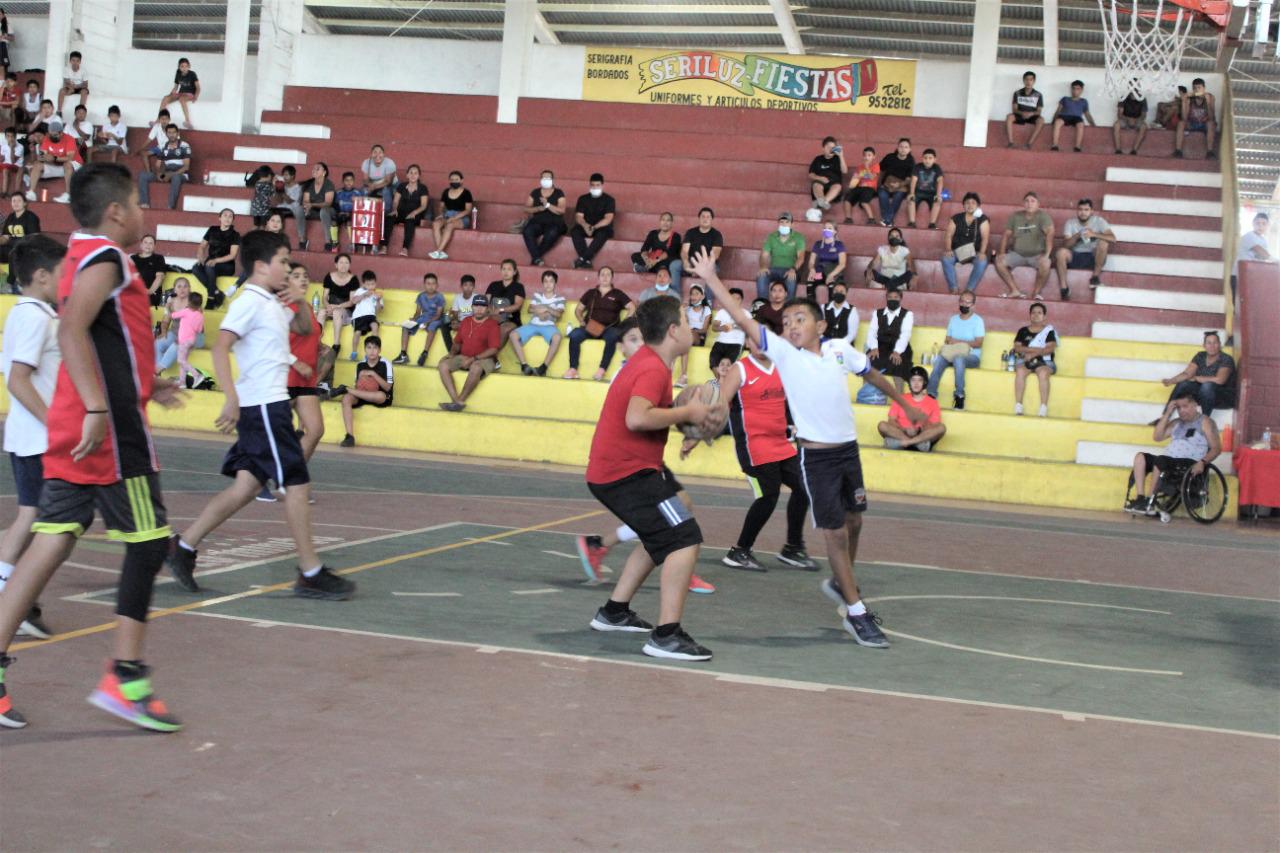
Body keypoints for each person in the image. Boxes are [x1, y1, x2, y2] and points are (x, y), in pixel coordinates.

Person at [0, 163, 186, 732]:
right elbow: (72, 329)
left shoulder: (81, 252)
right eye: (138, 203)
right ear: (116, 213)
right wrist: (103, 408)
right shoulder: (107, 259)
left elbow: (104, 339)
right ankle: (125, 677)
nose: (143, 213)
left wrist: (148, 382)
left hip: (73, 424)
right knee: (151, 545)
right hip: (108, 433)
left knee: (50, 543)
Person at [693, 249, 925, 649]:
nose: (791, 325)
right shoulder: (785, 355)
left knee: (855, 521)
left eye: (799, 319)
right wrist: (712, 278)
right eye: (786, 322)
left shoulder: (838, 350)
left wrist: (904, 403)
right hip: (816, 457)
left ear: (820, 324)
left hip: (848, 452)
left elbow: (872, 373)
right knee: (834, 534)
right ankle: (857, 613)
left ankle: (842, 581)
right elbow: (744, 317)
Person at [167, 229, 355, 604]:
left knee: (246, 487)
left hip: (270, 405)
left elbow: (300, 330)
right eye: (283, 261)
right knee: (296, 482)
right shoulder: (247, 301)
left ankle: (183, 548)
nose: (288, 268)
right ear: (260, 265)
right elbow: (221, 348)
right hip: (263, 408)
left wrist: (300, 302)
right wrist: (231, 399)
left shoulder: (271, 301)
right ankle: (310, 572)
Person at [583, 294, 719, 661]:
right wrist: (688, 411)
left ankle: (614, 612)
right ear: (673, 331)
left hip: (631, 468)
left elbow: (647, 417)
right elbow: (637, 418)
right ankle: (667, 635)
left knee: (668, 523)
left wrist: (683, 419)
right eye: (687, 323)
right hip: (625, 473)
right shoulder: (653, 368)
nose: (692, 328)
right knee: (683, 537)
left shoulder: (653, 363)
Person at [0, 235, 67, 640]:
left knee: (36, 517)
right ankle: (12, 597)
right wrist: (54, 423)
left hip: (36, 437)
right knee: (39, 519)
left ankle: (14, 594)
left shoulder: (40, 314)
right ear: (41, 276)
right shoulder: (33, 316)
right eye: (61, 273)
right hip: (38, 439)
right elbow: (18, 380)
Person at [719, 333, 816, 573]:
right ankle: (739, 551)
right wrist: (698, 434)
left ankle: (792, 548)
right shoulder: (739, 369)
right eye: (753, 339)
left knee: (804, 488)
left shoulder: (780, 367)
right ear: (747, 343)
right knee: (768, 495)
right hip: (754, 446)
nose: (759, 343)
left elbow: (790, 400)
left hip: (780, 444)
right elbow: (720, 404)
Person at [1125, 391, 1221, 516]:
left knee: (1161, 460)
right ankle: (1141, 498)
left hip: (1187, 462)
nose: (1182, 411)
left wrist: (1202, 462)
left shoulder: (1205, 422)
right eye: (1179, 408)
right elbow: (1157, 437)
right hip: (1168, 461)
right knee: (1140, 457)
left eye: (1185, 406)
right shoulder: (1177, 422)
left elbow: (1216, 448)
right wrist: (1168, 413)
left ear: (1195, 405)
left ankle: (1150, 501)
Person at [284, 261, 327, 464]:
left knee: (316, 430)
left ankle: (292, 476)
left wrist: (319, 346)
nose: (303, 279)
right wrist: (295, 362)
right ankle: (257, 479)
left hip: (307, 379)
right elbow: (272, 342)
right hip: (286, 377)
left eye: (305, 276)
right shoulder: (284, 307)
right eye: (297, 275)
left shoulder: (308, 307)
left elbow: (306, 337)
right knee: (273, 435)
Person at [564, 266, 632, 381]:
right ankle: (573, 369)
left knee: (612, 337)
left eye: (608, 275)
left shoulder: (618, 293)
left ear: (612, 278)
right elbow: (578, 309)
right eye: (602, 274)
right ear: (598, 278)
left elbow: (632, 307)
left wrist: (624, 324)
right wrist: (581, 321)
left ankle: (602, 369)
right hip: (591, 326)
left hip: (610, 328)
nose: (605, 277)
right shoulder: (591, 293)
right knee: (575, 335)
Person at [437, 294, 500, 412]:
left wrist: (473, 359)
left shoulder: (492, 324)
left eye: (482, 306)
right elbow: (457, 342)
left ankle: (459, 400)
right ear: (472, 307)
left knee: (476, 367)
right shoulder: (466, 321)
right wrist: (450, 355)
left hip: (485, 359)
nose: (479, 309)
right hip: (464, 357)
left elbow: (494, 349)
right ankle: (456, 401)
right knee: (443, 365)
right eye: (476, 305)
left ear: (487, 309)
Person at [927, 290, 985, 410]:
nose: (964, 304)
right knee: (939, 359)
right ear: (959, 302)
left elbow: (979, 343)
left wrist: (957, 342)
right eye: (962, 301)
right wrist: (953, 342)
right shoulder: (953, 319)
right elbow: (947, 339)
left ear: (973, 305)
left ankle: (959, 396)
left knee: (959, 359)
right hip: (952, 353)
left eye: (968, 302)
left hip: (972, 357)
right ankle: (931, 394)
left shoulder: (978, 321)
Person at [1160, 331, 1236, 418]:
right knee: (1183, 384)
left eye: (1215, 343)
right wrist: (1171, 381)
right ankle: (1164, 417)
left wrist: (1198, 378)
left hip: (1222, 398)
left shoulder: (1226, 359)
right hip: (1204, 395)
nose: (1212, 346)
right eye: (1209, 343)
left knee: (1207, 386)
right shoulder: (1200, 356)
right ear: (1204, 345)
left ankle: (1204, 420)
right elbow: (1187, 374)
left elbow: (1220, 380)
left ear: (1219, 344)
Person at [994, 191, 1053, 299]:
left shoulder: (1043, 216)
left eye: (1032, 201)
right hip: (1018, 254)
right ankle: (1015, 290)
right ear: (1023, 204)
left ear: (1038, 204)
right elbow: (1006, 235)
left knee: (1046, 263)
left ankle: (1036, 292)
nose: (1029, 204)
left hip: (1036, 255)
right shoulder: (1015, 216)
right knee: (999, 261)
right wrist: (1002, 252)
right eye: (1027, 201)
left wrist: (1047, 255)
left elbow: (1050, 234)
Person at [338, 336, 393, 448]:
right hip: (362, 394)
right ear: (364, 349)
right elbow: (357, 386)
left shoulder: (386, 364)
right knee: (346, 399)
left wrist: (373, 375)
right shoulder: (360, 365)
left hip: (381, 396)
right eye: (369, 347)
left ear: (380, 350)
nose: (372, 351)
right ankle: (349, 436)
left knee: (381, 395)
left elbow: (387, 387)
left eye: (375, 348)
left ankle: (345, 388)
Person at [1055, 198, 1115, 296]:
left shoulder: (1099, 221)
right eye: (1080, 209)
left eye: (1086, 210)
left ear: (1091, 211)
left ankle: (1095, 278)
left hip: (1093, 257)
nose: (1083, 213)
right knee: (1061, 252)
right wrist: (1077, 236)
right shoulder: (1070, 222)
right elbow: (1065, 245)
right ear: (1077, 211)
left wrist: (1094, 234)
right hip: (1075, 256)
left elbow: (1113, 238)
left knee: (1104, 242)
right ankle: (1064, 288)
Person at [510, 269, 564, 376]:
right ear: (542, 283)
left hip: (549, 326)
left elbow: (558, 314)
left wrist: (546, 308)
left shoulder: (560, 298)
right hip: (533, 324)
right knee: (513, 335)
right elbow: (530, 309)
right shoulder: (537, 295)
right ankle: (524, 365)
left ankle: (543, 367)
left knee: (557, 337)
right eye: (545, 281)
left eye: (551, 281)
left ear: (555, 283)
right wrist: (542, 313)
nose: (548, 284)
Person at [878, 366, 945, 452]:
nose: (916, 383)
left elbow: (935, 426)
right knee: (882, 425)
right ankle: (915, 444)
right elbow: (891, 421)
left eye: (919, 380)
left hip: (920, 435)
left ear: (924, 383)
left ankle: (907, 443)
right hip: (901, 433)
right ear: (909, 383)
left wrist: (919, 429)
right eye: (913, 380)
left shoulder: (933, 402)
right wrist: (904, 430)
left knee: (941, 428)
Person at [1012, 301, 1057, 417]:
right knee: (1020, 371)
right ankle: (1018, 406)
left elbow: (1050, 349)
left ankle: (1043, 407)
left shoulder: (1049, 331)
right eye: (1033, 312)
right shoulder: (1022, 331)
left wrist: (1030, 352)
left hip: (1045, 362)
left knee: (1042, 373)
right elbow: (1017, 348)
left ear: (1044, 316)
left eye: (1039, 313)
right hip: (1025, 361)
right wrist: (1036, 350)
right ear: (1029, 315)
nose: (1036, 315)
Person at [866, 288, 914, 393]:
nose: (893, 299)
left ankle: (899, 398)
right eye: (890, 297)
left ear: (901, 299)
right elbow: (872, 332)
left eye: (896, 297)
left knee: (898, 364)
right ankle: (867, 396)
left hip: (899, 347)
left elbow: (905, 334)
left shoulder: (907, 314)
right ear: (886, 298)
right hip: (880, 346)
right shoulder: (877, 313)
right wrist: (874, 348)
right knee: (870, 361)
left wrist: (897, 351)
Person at [394, 272, 447, 367]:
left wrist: (428, 322)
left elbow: (438, 314)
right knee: (406, 326)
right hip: (424, 317)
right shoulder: (421, 296)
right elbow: (418, 312)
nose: (431, 286)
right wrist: (414, 319)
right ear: (424, 284)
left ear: (437, 285)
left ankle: (425, 353)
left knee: (432, 326)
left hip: (436, 318)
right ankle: (403, 354)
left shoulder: (439, 297)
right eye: (428, 283)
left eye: (433, 283)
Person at [941, 192, 991, 294]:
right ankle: (953, 288)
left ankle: (969, 290)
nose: (970, 205)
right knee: (946, 259)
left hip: (975, 252)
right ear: (963, 205)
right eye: (967, 203)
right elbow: (948, 235)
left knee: (982, 262)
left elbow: (985, 238)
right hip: (958, 251)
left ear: (978, 206)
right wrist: (948, 249)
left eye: (973, 203)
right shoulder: (956, 218)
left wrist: (982, 252)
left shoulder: (982, 219)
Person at [669, 206, 723, 295]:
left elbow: (715, 255)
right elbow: (684, 251)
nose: (705, 219)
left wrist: (700, 268)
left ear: (711, 219)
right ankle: (676, 297)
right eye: (703, 216)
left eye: (708, 217)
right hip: (691, 262)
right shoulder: (690, 232)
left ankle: (707, 303)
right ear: (699, 218)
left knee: (713, 270)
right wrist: (686, 262)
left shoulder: (716, 234)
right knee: (674, 265)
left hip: (708, 264)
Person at [27, 117, 82, 204]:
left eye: (55, 135)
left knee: (67, 164)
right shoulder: (47, 139)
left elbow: (70, 158)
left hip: (72, 166)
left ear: (61, 133)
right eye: (51, 134)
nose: (52, 137)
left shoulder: (69, 139)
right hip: (56, 165)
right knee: (37, 164)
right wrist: (46, 158)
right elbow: (41, 156)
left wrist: (54, 158)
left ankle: (68, 195)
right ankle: (31, 193)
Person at [193, 207, 240, 308]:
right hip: (211, 262)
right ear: (220, 218)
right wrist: (200, 255)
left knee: (209, 266)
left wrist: (216, 260)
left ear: (233, 220)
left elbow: (232, 255)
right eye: (225, 215)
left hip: (227, 265)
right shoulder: (212, 229)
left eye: (230, 216)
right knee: (196, 268)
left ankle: (211, 298)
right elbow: (202, 246)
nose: (227, 218)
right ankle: (217, 293)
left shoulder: (235, 235)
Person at [137, 123, 189, 210]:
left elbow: (186, 167)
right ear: (166, 134)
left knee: (176, 177)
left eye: (174, 132)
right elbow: (159, 164)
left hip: (180, 173)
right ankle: (144, 203)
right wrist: (159, 173)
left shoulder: (184, 146)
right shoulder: (164, 146)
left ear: (178, 133)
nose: (172, 135)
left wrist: (171, 175)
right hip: (167, 172)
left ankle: (170, 207)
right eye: (169, 132)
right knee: (143, 175)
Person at [569, 172, 616, 269]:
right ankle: (586, 261)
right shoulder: (582, 199)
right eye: (593, 185)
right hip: (585, 226)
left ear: (602, 185)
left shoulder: (609, 200)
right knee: (575, 231)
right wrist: (585, 225)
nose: (595, 187)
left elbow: (608, 219)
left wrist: (594, 227)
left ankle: (582, 259)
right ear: (589, 185)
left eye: (597, 185)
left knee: (603, 233)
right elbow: (578, 217)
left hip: (601, 227)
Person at [756, 211, 806, 299]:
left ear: (791, 224)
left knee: (791, 278)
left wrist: (793, 269)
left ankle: (788, 307)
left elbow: (801, 258)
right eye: (782, 222)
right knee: (762, 275)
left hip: (791, 270)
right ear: (778, 223)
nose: (784, 224)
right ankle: (762, 305)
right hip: (774, 269)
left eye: (787, 222)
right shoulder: (771, 237)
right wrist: (763, 266)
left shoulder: (798, 237)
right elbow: (764, 255)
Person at [381, 162, 427, 256]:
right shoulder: (402, 186)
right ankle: (384, 247)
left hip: (415, 213)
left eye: (415, 173)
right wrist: (394, 210)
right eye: (411, 172)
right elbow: (395, 201)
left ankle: (405, 249)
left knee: (410, 221)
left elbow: (423, 205)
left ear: (419, 175)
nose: (413, 175)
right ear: (407, 175)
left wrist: (414, 212)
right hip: (401, 212)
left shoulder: (422, 188)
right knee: (389, 218)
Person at [522, 169, 566, 266]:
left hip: (555, 223)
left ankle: (536, 257)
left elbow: (561, 210)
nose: (546, 179)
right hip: (538, 222)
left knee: (552, 234)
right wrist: (538, 208)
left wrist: (548, 205)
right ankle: (537, 258)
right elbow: (526, 208)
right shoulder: (535, 192)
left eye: (548, 178)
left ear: (553, 180)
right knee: (527, 231)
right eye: (544, 177)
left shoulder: (559, 193)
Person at [429, 170, 472, 260]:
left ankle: (438, 251)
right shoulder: (446, 192)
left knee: (450, 225)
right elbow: (441, 207)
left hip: (461, 217)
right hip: (447, 215)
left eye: (456, 179)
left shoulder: (466, 193)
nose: (454, 181)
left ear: (461, 180)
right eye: (452, 179)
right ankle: (440, 253)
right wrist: (441, 214)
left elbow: (468, 210)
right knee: (435, 224)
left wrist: (454, 218)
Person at [485, 257, 526, 345]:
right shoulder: (493, 285)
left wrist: (501, 310)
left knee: (505, 328)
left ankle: (492, 354)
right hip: (492, 316)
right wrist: (492, 312)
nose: (506, 272)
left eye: (509, 269)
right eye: (503, 269)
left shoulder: (518, 287)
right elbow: (485, 302)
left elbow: (517, 305)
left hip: (511, 319)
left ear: (514, 272)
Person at [676, 284, 711, 386]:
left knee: (688, 335)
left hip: (699, 337)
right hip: (687, 336)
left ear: (703, 296)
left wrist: (693, 330)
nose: (693, 296)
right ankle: (682, 377)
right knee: (683, 343)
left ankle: (683, 377)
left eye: (696, 294)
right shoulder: (688, 309)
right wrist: (681, 310)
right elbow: (681, 323)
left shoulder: (706, 310)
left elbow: (704, 330)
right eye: (692, 294)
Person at [805, 220, 847, 302]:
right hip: (820, 271)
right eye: (825, 228)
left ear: (835, 231)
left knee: (832, 285)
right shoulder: (817, 244)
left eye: (829, 228)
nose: (826, 230)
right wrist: (812, 269)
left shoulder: (839, 245)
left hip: (833, 271)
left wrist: (831, 275)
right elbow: (811, 262)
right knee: (810, 283)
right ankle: (812, 308)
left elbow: (842, 264)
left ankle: (829, 309)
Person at [323, 253, 357, 352]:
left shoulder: (353, 280)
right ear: (336, 264)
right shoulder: (329, 277)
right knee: (321, 313)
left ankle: (336, 345)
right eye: (341, 262)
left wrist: (337, 307)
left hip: (345, 310)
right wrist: (327, 306)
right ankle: (317, 342)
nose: (343, 265)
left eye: (346, 262)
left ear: (349, 265)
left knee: (337, 312)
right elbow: (324, 297)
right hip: (331, 307)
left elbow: (352, 302)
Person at [299, 161, 336, 253]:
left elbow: (328, 203)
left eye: (317, 168)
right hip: (313, 210)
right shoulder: (309, 184)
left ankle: (328, 242)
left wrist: (312, 205)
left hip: (328, 210)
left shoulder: (328, 184)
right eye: (313, 168)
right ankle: (302, 240)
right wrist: (306, 206)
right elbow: (306, 200)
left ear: (324, 172)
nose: (314, 170)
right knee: (299, 210)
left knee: (324, 211)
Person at [1175, 78, 1216, 159]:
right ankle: (1178, 151)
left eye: (1199, 87)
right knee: (1181, 123)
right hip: (1192, 124)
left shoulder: (1210, 97)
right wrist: (1184, 102)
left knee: (1211, 123)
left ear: (1204, 88)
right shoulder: (1190, 98)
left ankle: (1210, 152)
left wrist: (1208, 102)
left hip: (1204, 125)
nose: (1197, 90)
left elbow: (1212, 118)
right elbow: (1184, 118)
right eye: (1194, 88)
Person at [631, 211, 681, 278]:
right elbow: (645, 248)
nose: (665, 223)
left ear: (672, 223)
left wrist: (656, 261)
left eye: (668, 220)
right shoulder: (653, 233)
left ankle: (646, 268)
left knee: (669, 262)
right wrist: (646, 259)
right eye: (663, 220)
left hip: (664, 260)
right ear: (660, 221)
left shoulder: (676, 236)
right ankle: (649, 267)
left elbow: (670, 252)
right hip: (652, 258)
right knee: (635, 255)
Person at [877, 138, 915, 226]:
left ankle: (887, 219)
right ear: (897, 147)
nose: (903, 149)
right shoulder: (890, 157)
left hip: (901, 186)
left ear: (910, 149)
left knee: (898, 196)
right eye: (901, 146)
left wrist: (899, 184)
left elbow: (909, 179)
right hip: (887, 185)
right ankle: (888, 220)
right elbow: (879, 168)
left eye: (906, 147)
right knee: (882, 194)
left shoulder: (911, 161)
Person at [0, 190, 39, 275]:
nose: (16, 203)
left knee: (15, 252)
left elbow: (34, 238)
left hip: (25, 248)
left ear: (25, 203)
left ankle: (11, 271)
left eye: (19, 201)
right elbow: (5, 237)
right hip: (11, 246)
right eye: (13, 201)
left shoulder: (31, 217)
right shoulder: (10, 217)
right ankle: (7, 269)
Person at [1234, 212, 1273, 295]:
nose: (1260, 226)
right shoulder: (1249, 236)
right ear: (1253, 223)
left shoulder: (1263, 240)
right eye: (1258, 223)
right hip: (1238, 274)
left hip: (1249, 275)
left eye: (1263, 224)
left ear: (1267, 225)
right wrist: (1276, 260)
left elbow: (1263, 258)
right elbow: (1263, 253)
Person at [1006, 70, 1047, 148]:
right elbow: (1014, 109)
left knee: (1041, 120)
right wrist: (1022, 113)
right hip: (1020, 115)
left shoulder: (1038, 94)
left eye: (1031, 80)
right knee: (1009, 117)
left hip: (1032, 116)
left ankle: (1029, 144)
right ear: (1023, 80)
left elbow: (1039, 111)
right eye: (1026, 79)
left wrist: (1031, 114)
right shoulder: (1017, 93)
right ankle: (1010, 142)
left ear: (1034, 81)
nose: (1028, 82)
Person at [1050, 80, 1094, 152]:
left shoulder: (1084, 101)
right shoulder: (1065, 99)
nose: (1075, 91)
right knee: (1058, 122)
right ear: (1071, 89)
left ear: (1081, 90)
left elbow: (1087, 114)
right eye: (1073, 88)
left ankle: (1077, 146)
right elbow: (1058, 111)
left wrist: (1093, 124)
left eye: (1078, 89)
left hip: (1076, 118)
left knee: (1080, 124)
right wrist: (1053, 121)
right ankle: (1054, 145)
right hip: (1064, 116)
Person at [709, 287, 746, 369]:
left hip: (737, 343)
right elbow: (714, 328)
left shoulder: (746, 313)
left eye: (738, 298)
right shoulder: (722, 312)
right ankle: (720, 380)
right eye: (732, 298)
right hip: (720, 342)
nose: (735, 301)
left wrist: (738, 326)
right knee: (713, 364)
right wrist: (722, 328)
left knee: (730, 366)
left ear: (741, 300)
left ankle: (721, 381)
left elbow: (749, 329)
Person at [348, 270, 382, 360]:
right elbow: (354, 301)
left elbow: (378, 310)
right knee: (357, 332)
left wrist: (378, 300)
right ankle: (354, 352)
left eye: (372, 284)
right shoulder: (360, 291)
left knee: (375, 326)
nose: (371, 286)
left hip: (371, 316)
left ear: (376, 283)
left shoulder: (377, 294)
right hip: (359, 317)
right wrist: (364, 295)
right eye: (368, 284)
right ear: (363, 284)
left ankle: (373, 351)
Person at [907, 148, 944, 229]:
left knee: (938, 201)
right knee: (910, 199)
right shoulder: (918, 167)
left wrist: (938, 195)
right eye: (925, 158)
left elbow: (940, 181)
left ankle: (932, 223)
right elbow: (913, 180)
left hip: (931, 193)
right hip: (918, 192)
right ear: (922, 158)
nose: (927, 160)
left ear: (935, 159)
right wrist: (912, 193)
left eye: (930, 158)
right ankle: (912, 222)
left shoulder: (936, 168)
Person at [159, 57, 200, 129]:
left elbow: (198, 88)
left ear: (189, 66)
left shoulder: (192, 74)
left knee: (182, 99)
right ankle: (158, 120)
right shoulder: (178, 73)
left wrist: (196, 96)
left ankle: (188, 121)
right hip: (181, 93)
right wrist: (171, 94)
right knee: (165, 98)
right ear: (179, 67)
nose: (184, 68)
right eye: (182, 66)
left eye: (186, 66)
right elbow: (176, 87)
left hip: (189, 94)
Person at [843, 146, 879, 225]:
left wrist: (866, 167)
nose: (867, 157)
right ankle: (848, 218)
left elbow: (872, 177)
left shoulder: (876, 166)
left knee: (864, 202)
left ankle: (871, 219)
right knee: (847, 199)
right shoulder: (859, 167)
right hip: (859, 187)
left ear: (874, 157)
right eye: (865, 155)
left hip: (870, 188)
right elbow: (856, 178)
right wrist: (852, 183)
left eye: (869, 155)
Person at [808, 136, 846, 211]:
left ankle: (822, 202)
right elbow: (811, 174)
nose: (831, 149)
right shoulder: (818, 159)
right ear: (823, 148)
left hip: (834, 184)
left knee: (837, 186)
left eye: (833, 148)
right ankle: (822, 202)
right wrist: (820, 178)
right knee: (816, 185)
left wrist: (841, 156)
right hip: (820, 182)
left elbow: (845, 171)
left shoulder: (837, 158)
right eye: (828, 147)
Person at [444, 273, 478, 352]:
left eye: (471, 285)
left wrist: (462, 324)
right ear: (461, 287)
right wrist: (455, 321)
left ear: (474, 287)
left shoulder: (476, 298)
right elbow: (455, 314)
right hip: (460, 321)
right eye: (465, 285)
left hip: (472, 323)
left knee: (464, 329)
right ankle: (451, 350)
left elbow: (477, 316)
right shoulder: (457, 297)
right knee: (444, 327)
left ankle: (462, 351)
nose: (468, 287)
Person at [131, 233, 166, 307]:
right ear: (141, 245)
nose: (148, 245)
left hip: (151, 295)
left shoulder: (158, 258)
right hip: (135, 293)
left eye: (151, 243)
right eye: (145, 242)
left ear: (154, 246)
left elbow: (159, 277)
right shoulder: (133, 258)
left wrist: (149, 291)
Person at [360, 144, 397, 209]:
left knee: (386, 192)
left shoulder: (389, 163)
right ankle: (365, 211)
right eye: (375, 152)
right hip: (373, 183)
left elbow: (388, 181)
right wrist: (370, 185)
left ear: (384, 154)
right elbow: (365, 180)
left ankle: (386, 214)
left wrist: (374, 187)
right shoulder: (366, 163)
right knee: (363, 190)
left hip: (389, 183)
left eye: (380, 152)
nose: (377, 155)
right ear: (371, 154)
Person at [333, 170, 364, 247]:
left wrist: (350, 213)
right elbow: (335, 205)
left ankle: (352, 243)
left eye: (351, 180)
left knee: (349, 223)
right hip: (340, 213)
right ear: (343, 181)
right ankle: (334, 243)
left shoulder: (358, 193)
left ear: (354, 181)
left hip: (352, 214)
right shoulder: (338, 192)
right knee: (333, 223)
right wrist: (339, 212)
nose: (349, 182)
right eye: (347, 180)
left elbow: (360, 206)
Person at [821, 281, 858, 345]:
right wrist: (825, 343)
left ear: (846, 294)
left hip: (844, 345)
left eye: (841, 292)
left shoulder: (852, 310)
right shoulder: (824, 307)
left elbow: (852, 334)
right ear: (832, 292)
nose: (838, 293)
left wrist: (840, 345)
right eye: (836, 291)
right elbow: (819, 328)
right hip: (826, 344)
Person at [1113, 90, 1149, 155]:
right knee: (1116, 125)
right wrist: (1128, 119)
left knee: (1144, 126)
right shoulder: (1123, 97)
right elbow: (1119, 115)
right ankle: (1118, 149)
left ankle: (1134, 150)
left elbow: (1143, 115)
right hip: (1125, 119)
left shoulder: (1143, 98)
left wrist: (1135, 120)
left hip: (1137, 120)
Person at [141, 108, 170, 175]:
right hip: (159, 148)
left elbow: (175, 143)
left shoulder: (172, 128)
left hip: (168, 150)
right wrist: (139, 149)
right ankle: (149, 173)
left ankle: (161, 178)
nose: (164, 121)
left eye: (166, 119)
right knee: (144, 154)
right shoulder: (156, 127)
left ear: (169, 120)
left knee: (159, 165)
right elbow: (148, 140)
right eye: (162, 119)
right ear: (159, 120)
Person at [0, 124, 19, 197]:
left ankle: (4, 192)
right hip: (5, 165)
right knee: (5, 168)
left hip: (14, 165)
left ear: (15, 137)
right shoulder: (3, 146)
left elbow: (13, 161)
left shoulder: (19, 147)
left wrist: (11, 148)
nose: (10, 138)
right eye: (8, 136)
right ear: (5, 137)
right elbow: (2, 158)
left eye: (12, 136)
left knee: (5, 170)